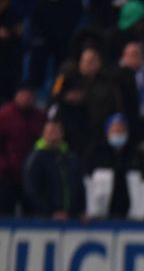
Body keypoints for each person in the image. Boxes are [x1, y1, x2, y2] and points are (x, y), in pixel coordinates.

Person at [23, 117, 84, 220]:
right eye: (50, 131)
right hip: (45, 219)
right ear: (43, 134)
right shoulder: (36, 158)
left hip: (70, 217)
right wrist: (50, 212)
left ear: (62, 134)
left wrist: (81, 211)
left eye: (56, 131)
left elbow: (79, 185)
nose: (53, 135)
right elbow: (32, 190)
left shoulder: (70, 157)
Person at [0, 85, 47, 215]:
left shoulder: (40, 116)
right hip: (7, 177)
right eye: (23, 94)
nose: (27, 98)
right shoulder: (4, 116)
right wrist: (3, 166)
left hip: (32, 177)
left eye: (30, 95)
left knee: (32, 214)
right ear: (16, 96)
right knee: (5, 213)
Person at [83, 113, 137, 219]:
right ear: (108, 131)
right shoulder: (96, 153)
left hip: (128, 214)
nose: (118, 134)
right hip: (100, 213)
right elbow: (86, 182)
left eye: (121, 130)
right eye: (115, 130)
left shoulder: (134, 154)